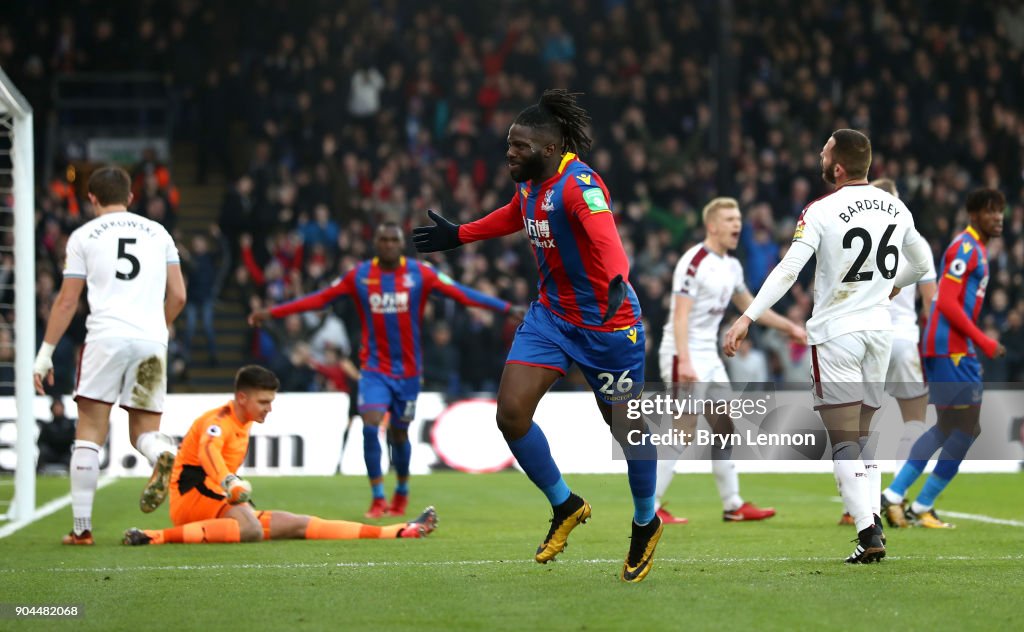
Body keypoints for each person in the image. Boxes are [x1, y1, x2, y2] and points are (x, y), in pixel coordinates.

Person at [413, 89, 661, 583]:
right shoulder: (532, 184)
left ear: (549, 149)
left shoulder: (580, 183)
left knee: (627, 431)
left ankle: (646, 521)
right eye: (509, 143)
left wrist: (616, 279)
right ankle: (565, 504)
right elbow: (514, 215)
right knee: (510, 413)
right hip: (551, 318)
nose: (510, 152)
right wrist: (460, 234)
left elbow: (606, 236)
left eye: (519, 146)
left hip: (609, 326)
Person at [722, 129, 932, 563]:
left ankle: (867, 530)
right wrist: (894, 287)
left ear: (838, 167)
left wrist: (747, 316)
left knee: (842, 440)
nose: (819, 154)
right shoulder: (896, 206)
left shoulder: (821, 210)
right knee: (865, 436)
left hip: (837, 332)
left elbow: (788, 270)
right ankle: (871, 522)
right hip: (879, 331)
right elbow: (924, 264)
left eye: (825, 150)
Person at [249, 222, 522, 518]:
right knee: (370, 426)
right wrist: (272, 312)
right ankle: (378, 497)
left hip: (407, 373)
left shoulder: (420, 273)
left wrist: (506, 308)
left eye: (394, 240)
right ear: (376, 243)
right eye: (384, 240)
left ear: (401, 244)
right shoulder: (361, 275)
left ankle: (401, 492)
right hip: (373, 369)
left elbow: (463, 294)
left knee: (400, 435)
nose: (389, 244)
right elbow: (319, 299)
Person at [33, 165, 185, 545]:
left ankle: (82, 528)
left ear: (91, 198)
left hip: (105, 339)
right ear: (131, 197)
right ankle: (162, 451)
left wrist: (45, 354)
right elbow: (179, 296)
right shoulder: (159, 232)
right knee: (144, 432)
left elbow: (68, 300)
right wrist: (157, 327)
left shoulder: (84, 236)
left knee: (89, 431)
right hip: (151, 341)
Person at [123, 365, 437, 545]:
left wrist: (229, 487)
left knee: (299, 524)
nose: (269, 408)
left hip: (218, 497)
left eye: (271, 401)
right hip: (193, 498)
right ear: (242, 397)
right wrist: (229, 480)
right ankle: (153, 536)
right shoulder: (218, 421)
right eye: (263, 402)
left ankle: (396, 531)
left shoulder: (242, 421)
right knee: (251, 530)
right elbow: (208, 452)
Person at [656, 197, 806, 525]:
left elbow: (751, 307)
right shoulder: (693, 262)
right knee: (683, 430)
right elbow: (679, 317)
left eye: (738, 218)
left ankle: (733, 505)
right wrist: (683, 362)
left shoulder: (732, 265)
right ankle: (649, 505)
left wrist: (790, 327)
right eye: (729, 219)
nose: (737, 224)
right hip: (682, 351)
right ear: (712, 225)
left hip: (708, 353)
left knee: (725, 427)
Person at [881, 188, 1006, 529]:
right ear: (973, 214)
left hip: (951, 346)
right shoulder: (965, 248)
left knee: (955, 427)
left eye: (1001, 211)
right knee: (961, 428)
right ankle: (912, 501)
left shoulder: (974, 248)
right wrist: (982, 340)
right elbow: (946, 302)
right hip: (950, 347)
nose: (998, 217)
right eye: (990, 210)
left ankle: (906, 499)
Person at [838, 177, 937, 527]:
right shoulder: (913, 238)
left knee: (860, 425)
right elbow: (931, 303)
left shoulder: (852, 236)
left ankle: (854, 505)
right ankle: (897, 495)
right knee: (914, 420)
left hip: (864, 337)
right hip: (903, 339)